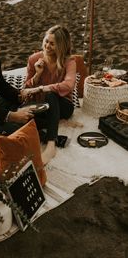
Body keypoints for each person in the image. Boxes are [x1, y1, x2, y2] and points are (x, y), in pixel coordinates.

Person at [23, 25, 76, 165]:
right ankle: (55, 120)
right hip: (42, 108)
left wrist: (41, 88)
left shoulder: (69, 62)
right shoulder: (34, 59)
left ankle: (51, 145)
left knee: (51, 95)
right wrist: (37, 74)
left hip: (63, 105)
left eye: (52, 44)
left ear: (61, 45)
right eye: (46, 41)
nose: (47, 46)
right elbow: (25, 91)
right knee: (21, 114)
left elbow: (69, 85)